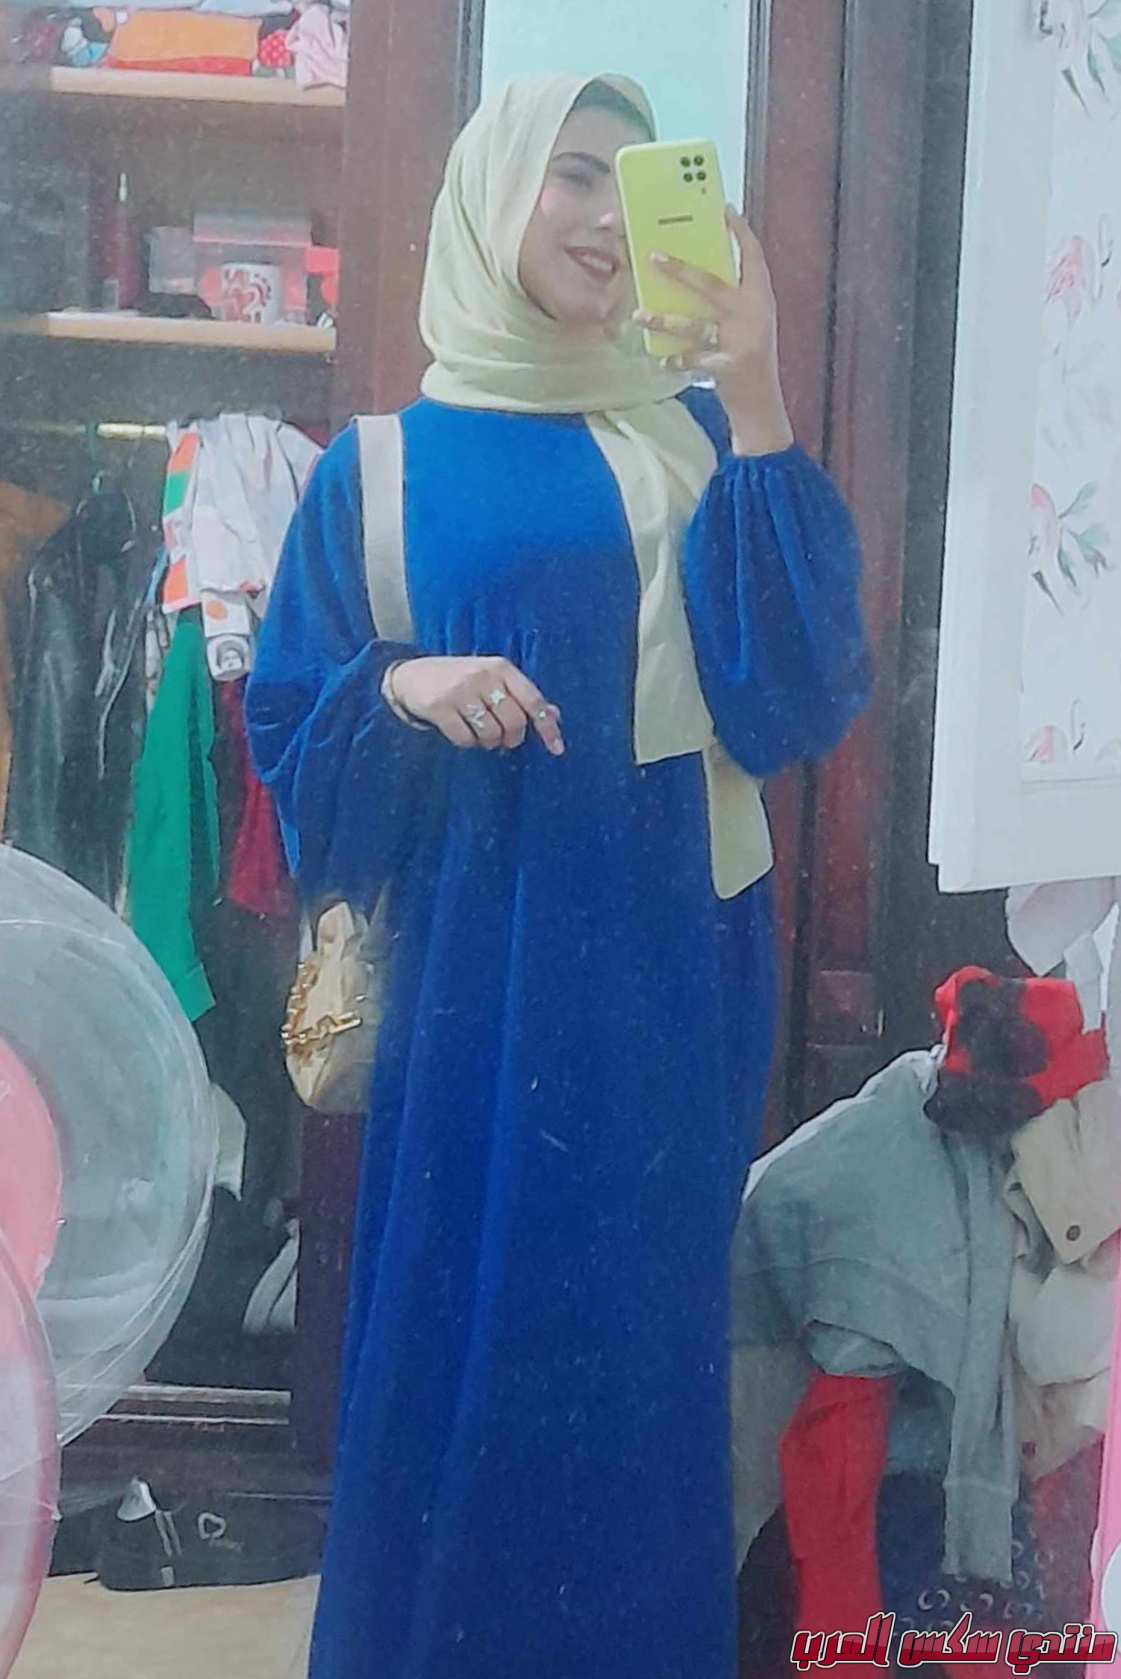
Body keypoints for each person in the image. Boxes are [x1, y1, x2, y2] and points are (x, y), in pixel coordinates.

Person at [246, 69, 871, 1679]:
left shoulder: (697, 443)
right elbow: (292, 732)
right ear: (491, 193)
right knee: (457, 1338)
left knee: (633, 1361)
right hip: (473, 976)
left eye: (635, 185)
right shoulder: (378, 468)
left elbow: (798, 701)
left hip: (664, 975)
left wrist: (758, 391)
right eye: (572, 176)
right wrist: (406, 684)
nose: (605, 218)